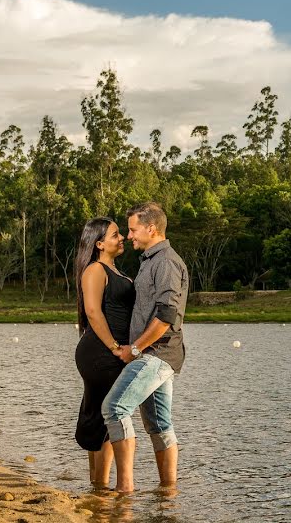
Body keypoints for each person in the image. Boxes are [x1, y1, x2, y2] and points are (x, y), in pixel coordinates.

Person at [102, 202, 188, 492]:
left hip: (156, 354)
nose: (128, 236)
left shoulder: (165, 262)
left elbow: (166, 315)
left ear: (151, 228)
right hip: (156, 354)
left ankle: (124, 489)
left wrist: (134, 350)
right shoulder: (151, 260)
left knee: (114, 408)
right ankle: (168, 493)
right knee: (158, 424)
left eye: (133, 229)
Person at [74, 217, 135, 489]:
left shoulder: (117, 272)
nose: (121, 238)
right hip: (101, 351)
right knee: (107, 417)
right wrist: (114, 348)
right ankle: (101, 487)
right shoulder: (95, 270)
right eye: (115, 235)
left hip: (111, 351)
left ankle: (97, 485)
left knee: (100, 414)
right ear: (99, 244)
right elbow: (92, 312)